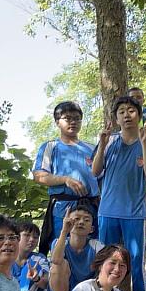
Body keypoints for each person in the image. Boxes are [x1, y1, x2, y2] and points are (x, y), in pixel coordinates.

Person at [91, 95, 146, 291]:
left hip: (134, 213)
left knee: (135, 259)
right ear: (116, 118)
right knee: (106, 259)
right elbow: (95, 170)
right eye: (121, 112)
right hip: (108, 211)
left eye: (131, 110)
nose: (127, 115)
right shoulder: (110, 142)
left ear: (139, 115)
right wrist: (101, 144)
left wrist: (144, 144)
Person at [33, 101, 100, 254]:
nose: (73, 122)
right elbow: (39, 176)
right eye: (67, 118)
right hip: (63, 207)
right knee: (62, 249)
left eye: (77, 118)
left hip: (91, 207)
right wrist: (65, 180)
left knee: (92, 250)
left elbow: (102, 176)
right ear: (57, 122)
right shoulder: (50, 147)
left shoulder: (91, 148)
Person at [49, 202, 105, 291]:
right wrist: (64, 231)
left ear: (92, 229)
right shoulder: (60, 242)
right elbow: (56, 260)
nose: (81, 222)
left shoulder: (97, 246)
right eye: (76, 219)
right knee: (58, 265)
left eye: (86, 220)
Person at [15, 220, 55, 291]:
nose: (32, 239)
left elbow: (47, 284)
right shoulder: (6, 260)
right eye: (27, 235)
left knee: (32, 264)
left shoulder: (39, 258)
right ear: (16, 237)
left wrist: (36, 279)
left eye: (36, 237)